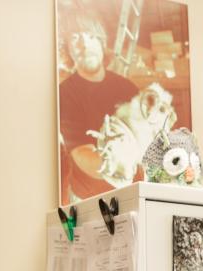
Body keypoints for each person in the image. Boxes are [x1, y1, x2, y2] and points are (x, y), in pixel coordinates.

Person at [57, 10, 139, 202]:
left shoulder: (128, 88)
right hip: (89, 198)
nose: (85, 45)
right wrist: (117, 165)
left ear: (102, 43)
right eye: (75, 38)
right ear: (68, 49)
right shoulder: (65, 93)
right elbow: (82, 153)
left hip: (133, 192)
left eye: (92, 37)